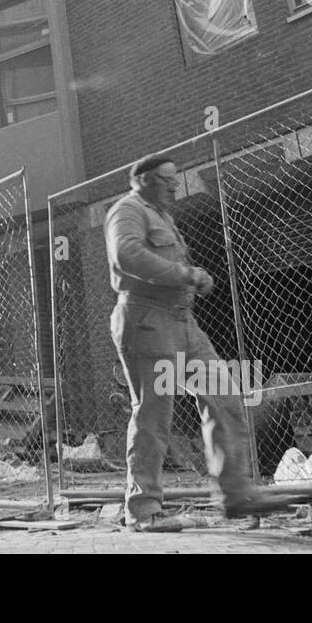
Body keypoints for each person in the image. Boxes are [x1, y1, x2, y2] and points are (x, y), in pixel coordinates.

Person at [104, 154, 276, 532]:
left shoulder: (163, 217)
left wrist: (191, 280)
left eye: (175, 178)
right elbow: (125, 254)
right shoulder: (127, 210)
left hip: (183, 322)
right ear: (144, 180)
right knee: (154, 414)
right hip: (147, 321)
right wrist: (185, 273)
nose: (174, 185)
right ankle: (144, 511)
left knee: (226, 398)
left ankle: (236, 498)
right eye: (167, 179)